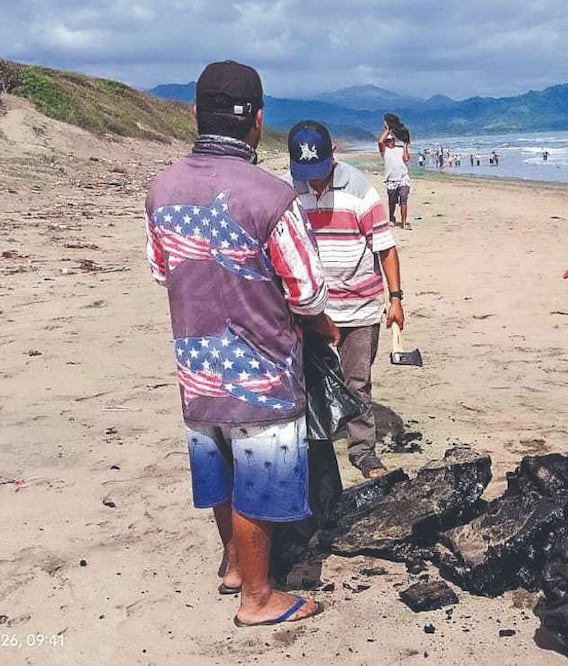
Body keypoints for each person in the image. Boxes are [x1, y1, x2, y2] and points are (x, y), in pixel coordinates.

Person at [144, 60, 331, 627]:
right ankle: (257, 596)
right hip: (260, 367)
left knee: (218, 465)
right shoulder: (270, 196)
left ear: (196, 113)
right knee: (260, 476)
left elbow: (162, 271)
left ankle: (231, 565)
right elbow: (308, 292)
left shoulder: (161, 188)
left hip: (194, 362)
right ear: (257, 122)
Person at [287, 120, 405, 479]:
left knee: (357, 382)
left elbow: (385, 248)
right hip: (310, 309)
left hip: (360, 305)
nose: (314, 181)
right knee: (304, 383)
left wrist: (396, 299)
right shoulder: (286, 190)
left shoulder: (359, 188)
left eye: (320, 171)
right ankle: (311, 447)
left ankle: (362, 452)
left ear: (333, 154)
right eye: (306, 173)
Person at [378, 125, 412, 229]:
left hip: (403, 179)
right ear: (386, 142)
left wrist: (405, 145)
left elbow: (406, 159)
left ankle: (404, 222)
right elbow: (380, 142)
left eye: (392, 140)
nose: (391, 142)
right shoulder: (384, 151)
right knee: (392, 202)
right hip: (391, 180)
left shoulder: (400, 149)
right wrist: (388, 129)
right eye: (388, 140)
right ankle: (392, 218)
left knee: (403, 200)